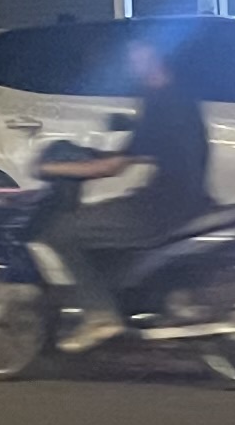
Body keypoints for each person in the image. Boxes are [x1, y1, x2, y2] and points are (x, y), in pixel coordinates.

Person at [38, 31, 211, 351]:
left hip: (159, 208)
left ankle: (100, 315)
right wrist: (95, 154)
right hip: (189, 199)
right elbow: (145, 152)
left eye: (136, 56)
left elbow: (112, 167)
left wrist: (52, 169)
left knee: (61, 231)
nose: (131, 63)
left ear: (154, 56)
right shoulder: (178, 95)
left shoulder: (161, 103)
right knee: (102, 219)